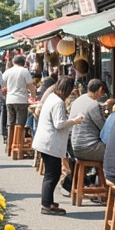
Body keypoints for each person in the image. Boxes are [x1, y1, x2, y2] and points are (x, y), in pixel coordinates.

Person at [32, 77, 83, 215]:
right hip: (49, 143)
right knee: (52, 174)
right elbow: (59, 124)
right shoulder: (58, 102)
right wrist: (74, 121)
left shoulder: (51, 97)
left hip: (45, 142)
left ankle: (48, 201)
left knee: (52, 173)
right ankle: (46, 205)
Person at [69, 79, 109, 163]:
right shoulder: (93, 104)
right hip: (88, 147)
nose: (102, 95)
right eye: (103, 92)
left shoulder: (78, 100)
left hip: (75, 146)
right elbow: (103, 127)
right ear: (100, 89)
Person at [3, 53, 36, 151]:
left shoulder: (8, 71)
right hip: (21, 100)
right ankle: (18, 146)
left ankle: (9, 147)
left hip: (10, 100)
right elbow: (30, 85)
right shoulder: (24, 71)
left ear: (13, 62)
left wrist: (4, 94)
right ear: (24, 63)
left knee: (10, 124)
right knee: (20, 124)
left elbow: (1, 84)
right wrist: (33, 96)